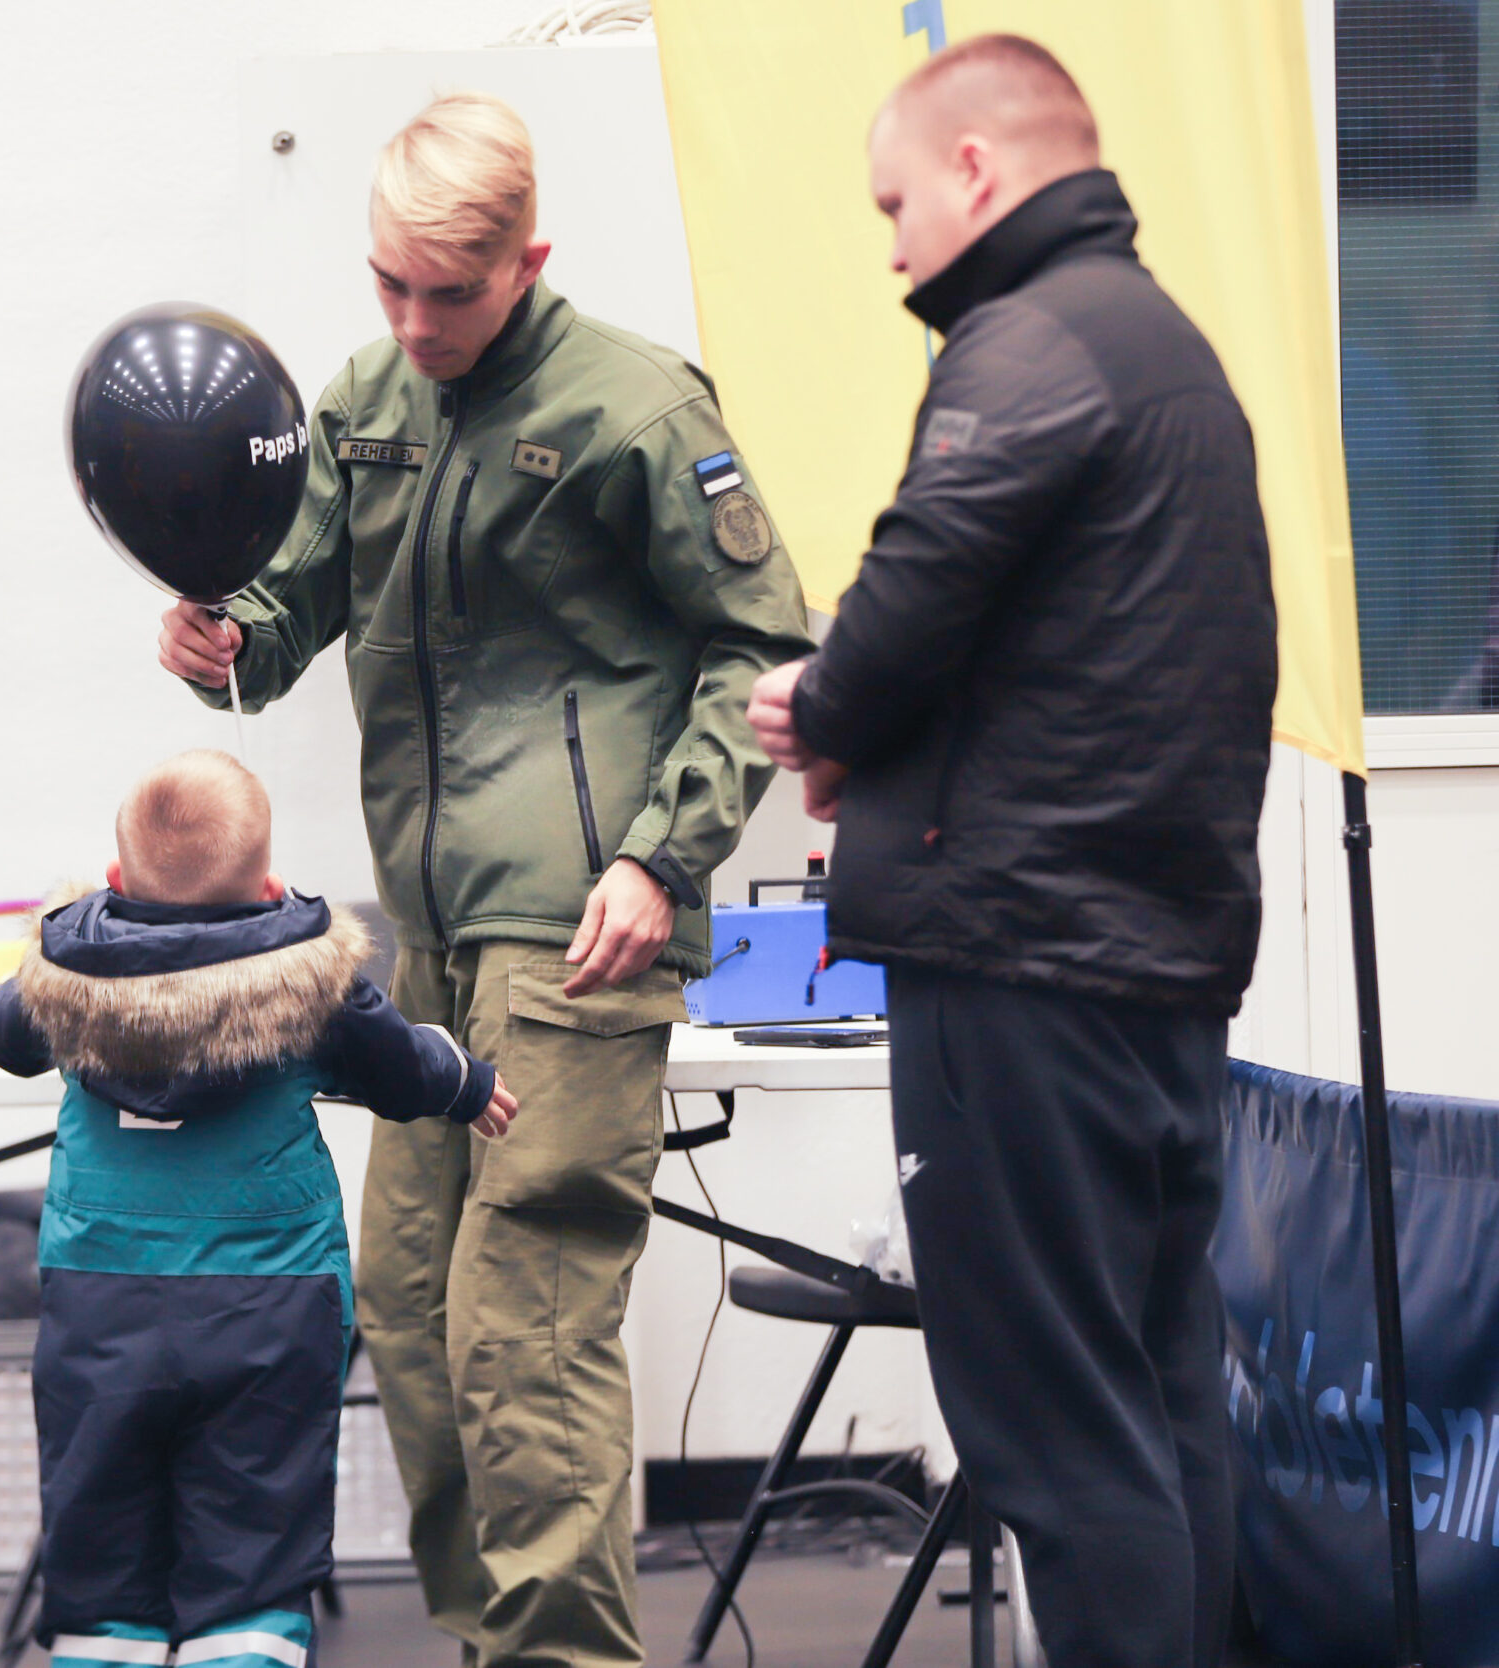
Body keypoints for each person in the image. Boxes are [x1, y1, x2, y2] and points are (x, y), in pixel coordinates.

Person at [157, 95, 811, 1666]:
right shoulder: (368, 397)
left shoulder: (639, 411)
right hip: (425, 943)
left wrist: (665, 856)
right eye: (389, 284)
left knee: (524, 1325)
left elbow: (764, 644)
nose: (414, 320)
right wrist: (220, 643)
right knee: (411, 1317)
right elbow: (284, 607)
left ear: (531, 260)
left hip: (582, 926)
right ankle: (493, 1641)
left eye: (450, 292)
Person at [745, 35, 1276, 1668]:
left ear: (977, 171)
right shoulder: (1170, 349)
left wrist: (821, 706)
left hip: (1021, 972)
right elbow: (1084, 650)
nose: (891, 244)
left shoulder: (1027, 340)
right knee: (1164, 1407)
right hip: (1155, 972)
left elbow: (921, 585)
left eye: (895, 201)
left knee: (1059, 1436)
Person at [0, 751, 518, 1668]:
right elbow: (401, 1069)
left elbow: (6, 1029)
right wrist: (466, 1084)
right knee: (256, 1533)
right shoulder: (310, 980)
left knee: (101, 1521)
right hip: (270, 1304)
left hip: (103, 1297)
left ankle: (104, 1647)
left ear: (113, 880)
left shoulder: (63, 974)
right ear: (270, 887)